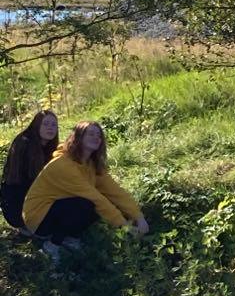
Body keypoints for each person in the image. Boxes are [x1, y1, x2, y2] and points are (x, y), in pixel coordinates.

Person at [22, 121, 149, 261]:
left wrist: (139, 216)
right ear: (78, 137)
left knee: (92, 204)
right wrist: (125, 228)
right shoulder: (63, 165)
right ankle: (52, 245)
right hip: (38, 218)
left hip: (59, 208)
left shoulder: (90, 164)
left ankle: (69, 238)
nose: (96, 137)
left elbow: (115, 191)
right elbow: (96, 198)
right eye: (91, 134)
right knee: (86, 204)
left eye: (99, 135)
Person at [1, 110, 58, 231]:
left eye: (54, 125)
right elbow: (24, 181)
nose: (50, 128)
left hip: (33, 199)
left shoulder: (49, 147)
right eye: (46, 124)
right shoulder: (24, 143)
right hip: (16, 205)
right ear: (37, 125)